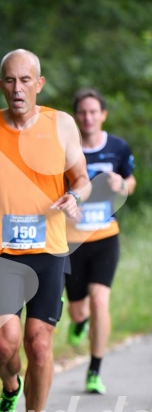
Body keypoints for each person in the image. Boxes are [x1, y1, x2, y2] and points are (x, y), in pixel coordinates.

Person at [0, 49, 91, 412]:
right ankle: (9, 388)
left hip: (49, 250)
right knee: (3, 347)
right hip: (2, 252)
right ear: (1, 85)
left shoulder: (62, 125)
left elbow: (82, 179)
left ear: (39, 84)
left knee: (38, 344)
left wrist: (74, 196)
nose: (17, 88)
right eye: (10, 80)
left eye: (26, 80)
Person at [65, 88, 136, 394]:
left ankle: (94, 370)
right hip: (72, 242)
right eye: (82, 112)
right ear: (76, 117)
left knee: (99, 298)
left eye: (94, 112)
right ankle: (80, 322)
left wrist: (122, 184)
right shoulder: (66, 149)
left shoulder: (118, 148)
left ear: (103, 115)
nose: (88, 117)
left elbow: (130, 181)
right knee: (78, 310)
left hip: (106, 237)